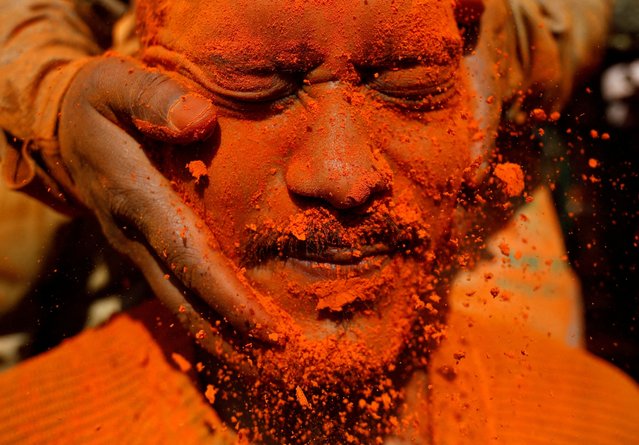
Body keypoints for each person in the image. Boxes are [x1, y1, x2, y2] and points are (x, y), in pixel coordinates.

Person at [0, 0, 637, 444]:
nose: (344, 176)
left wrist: (514, 30)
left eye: (408, 83)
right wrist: (46, 96)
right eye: (257, 84)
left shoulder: (602, 422)